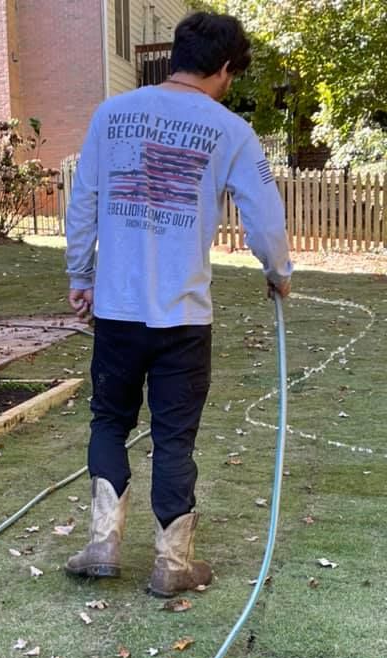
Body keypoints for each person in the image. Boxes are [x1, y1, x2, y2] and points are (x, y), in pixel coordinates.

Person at [64, 11, 292, 597]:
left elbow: (84, 199)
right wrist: (278, 272)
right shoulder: (231, 130)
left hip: (116, 310)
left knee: (109, 420)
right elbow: (266, 217)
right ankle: (171, 563)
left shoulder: (110, 114)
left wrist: (81, 275)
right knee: (174, 438)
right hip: (183, 318)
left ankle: (103, 543)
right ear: (224, 68)